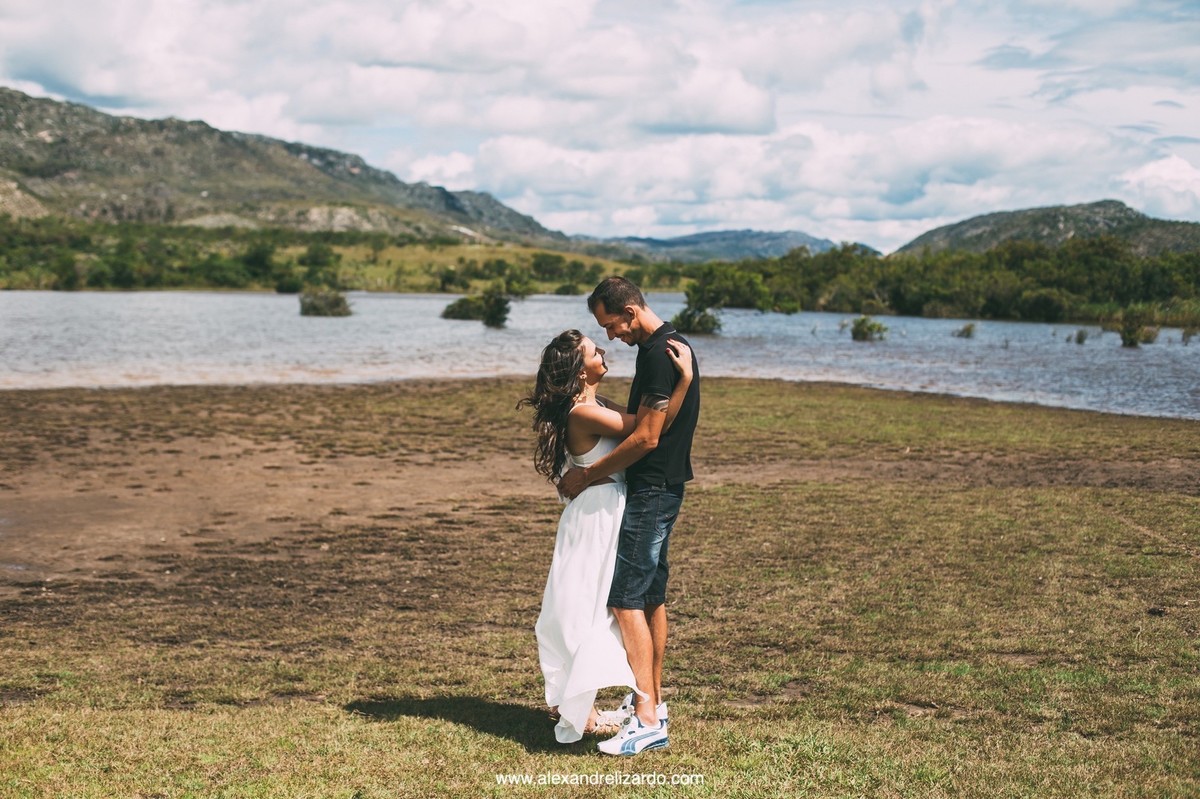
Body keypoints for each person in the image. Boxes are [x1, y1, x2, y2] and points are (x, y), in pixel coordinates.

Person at [519, 328, 693, 744]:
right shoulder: (584, 413)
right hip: (597, 514)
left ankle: (609, 706)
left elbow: (652, 424)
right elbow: (653, 429)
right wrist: (684, 382)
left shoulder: (593, 404)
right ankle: (597, 707)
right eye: (595, 351)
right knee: (590, 608)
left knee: (598, 607)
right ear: (581, 371)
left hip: (603, 509)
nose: (604, 351)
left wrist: (682, 383)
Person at [558, 276, 701, 757]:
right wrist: (685, 383)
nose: (611, 336)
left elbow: (646, 438)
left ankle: (646, 719)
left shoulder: (660, 354)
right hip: (662, 486)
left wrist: (585, 476)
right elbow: (643, 422)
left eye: (611, 325)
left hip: (653, 488)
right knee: (651, 595)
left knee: (625, 600)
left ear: (630, 311)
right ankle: (654, 705)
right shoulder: (662, 350)